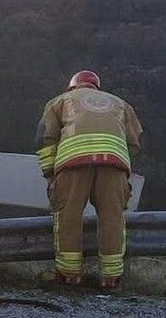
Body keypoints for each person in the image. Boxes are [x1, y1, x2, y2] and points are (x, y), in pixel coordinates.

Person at [36, 71, 142, 288]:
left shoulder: (60, 101)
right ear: (97, 88)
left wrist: (50, 174)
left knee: (69, 217)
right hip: (113, 164)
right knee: (112, 218)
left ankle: (69, 275)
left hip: (73, 163)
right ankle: (111, 278)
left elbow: (45, 139)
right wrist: (122, 166)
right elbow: (134, 143)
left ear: (72, 87)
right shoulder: (120, 104)